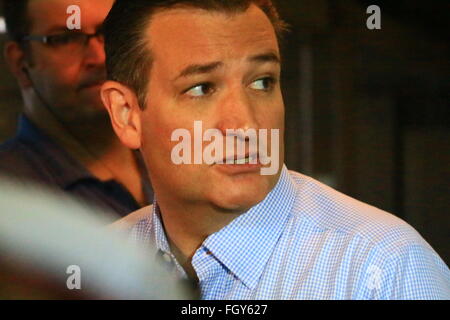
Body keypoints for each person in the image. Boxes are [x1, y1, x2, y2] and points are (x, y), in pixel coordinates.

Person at [100, 0, 450, 299]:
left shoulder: (385, 268)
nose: (247, 126)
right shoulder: (91, 265)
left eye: (262, 82)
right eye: (202, 88)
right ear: (126, 114)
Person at [0, 0, 153, 218]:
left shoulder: (174, 151)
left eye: (110, 31)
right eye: (65, 39)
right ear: (20, 62)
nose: (99, 57)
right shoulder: (9, 197)